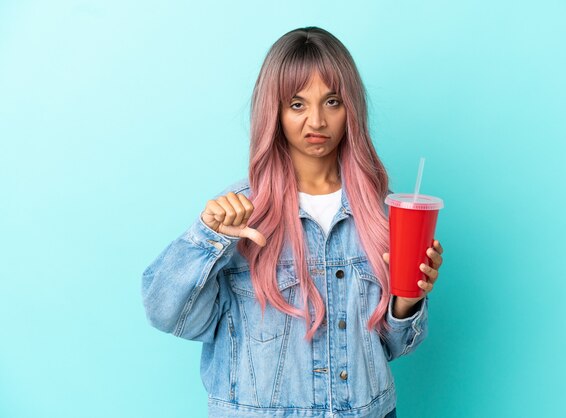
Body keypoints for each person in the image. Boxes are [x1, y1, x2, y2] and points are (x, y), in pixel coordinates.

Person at [142, 26, 444, 418]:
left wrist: (409, 298)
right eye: (297, 104)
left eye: (332, 101)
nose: (316, 120)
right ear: (276, 112)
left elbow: (392, 348)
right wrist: (207, 237)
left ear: (350, 107)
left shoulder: (378, 215)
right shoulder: (240, 215)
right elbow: (166, 313)